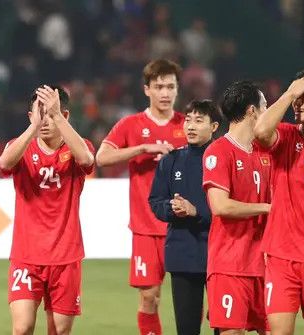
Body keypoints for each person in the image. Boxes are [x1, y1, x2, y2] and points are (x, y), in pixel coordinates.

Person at [95, 59, 187, 335]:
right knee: (149, 298)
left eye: (170, 86)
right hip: (146, 228)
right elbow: (102, 157)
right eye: (159, 86)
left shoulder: (189, 125)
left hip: (184, 227)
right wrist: (142, 148)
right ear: (146, 89)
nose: (165, 93)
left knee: (192, 299)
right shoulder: (131, 125)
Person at [0, 85, 95, 335]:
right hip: (26, 255)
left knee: (59, 331)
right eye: (39, 113)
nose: (45, 121)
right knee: (22, 328)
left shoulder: (78, 147)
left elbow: (87, 160)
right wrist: (34, 127)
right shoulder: (19, 147)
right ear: (30, 116)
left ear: (65, 115)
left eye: (51, 114)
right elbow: (4, 163)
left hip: (66, 256)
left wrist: (57, 116)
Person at [253, 69, 304, 335]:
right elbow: (260, 130)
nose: (299, 102)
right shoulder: (286, 136)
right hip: (282, 256)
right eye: (297, 96)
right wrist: (288, 94)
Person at [202, 81, 272, 334]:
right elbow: (220, 206)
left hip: (267, 265)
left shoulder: (267, 152)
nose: (269, 111)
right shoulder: (218, 151)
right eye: (265, 106)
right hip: (230, 265)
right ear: (252, 110)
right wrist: (267, 208)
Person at [149, 100, 221, 334]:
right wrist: (172, 208)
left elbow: (231, 208)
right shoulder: (171, 160)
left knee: (226, 326)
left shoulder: (225, 159)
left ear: (214, 127)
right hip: (183, 255)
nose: (190, 126)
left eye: (199, 121)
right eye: (188, 120)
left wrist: (196, 211)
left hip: (220, 257)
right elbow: (156, 201)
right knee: (187, 328)